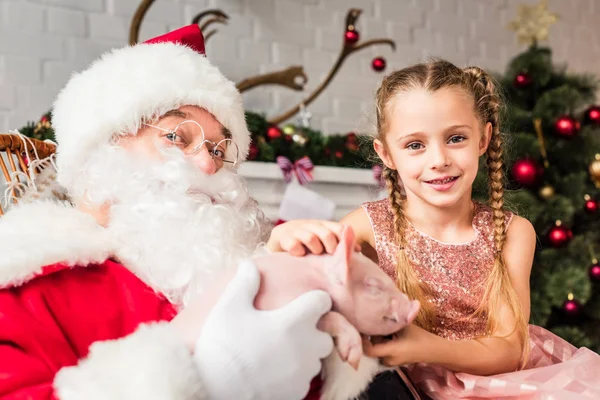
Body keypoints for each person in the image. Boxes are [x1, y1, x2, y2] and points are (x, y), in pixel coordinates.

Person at [0, 24, 335, 400]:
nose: (209, 166)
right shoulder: (25, 283)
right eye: (176, 136)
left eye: (219, 150)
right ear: (103, 148)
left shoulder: (249, 269)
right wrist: (211, 379)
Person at [268, 59, 600, 399]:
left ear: (483, 139)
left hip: (504, 384)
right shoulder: (365, 228)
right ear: (386, 154)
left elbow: (511, 349)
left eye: (456, 138)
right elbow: (304, 291)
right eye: (415, 145)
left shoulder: (512, 233)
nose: (439, 159)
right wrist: (279, 243)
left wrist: (425, 347)